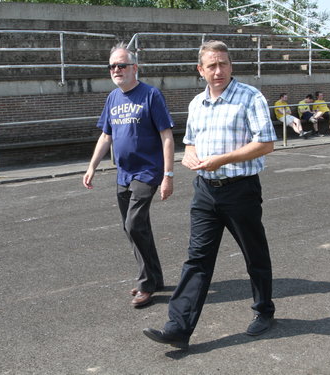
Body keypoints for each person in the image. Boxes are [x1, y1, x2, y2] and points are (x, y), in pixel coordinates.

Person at [143, 40, 277, 350]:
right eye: (212, 66)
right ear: (200, 70)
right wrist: (189, 156)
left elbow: (266, 143)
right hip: (205, 191)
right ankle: (178, 328)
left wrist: (223, 159)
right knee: (197, 260)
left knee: (254, 254)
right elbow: (190, 142)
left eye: (224, 64)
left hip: (240, 189)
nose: (219, 70)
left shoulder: (249, 97)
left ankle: (264, 311)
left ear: (231, 65)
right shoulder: (195, 104)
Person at [83, 43, 175, 307]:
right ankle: (154, 278)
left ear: (135, 68)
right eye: (112, 66)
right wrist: (92, 166)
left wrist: (168, 175)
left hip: (147, 171)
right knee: (134, 228)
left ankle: (145, 284)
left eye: (121, 65)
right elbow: (105, 135)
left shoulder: (151, 95)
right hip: (123, 173)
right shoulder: (113, 98)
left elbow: (167, 137)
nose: (116, 70)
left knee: (134, 224)